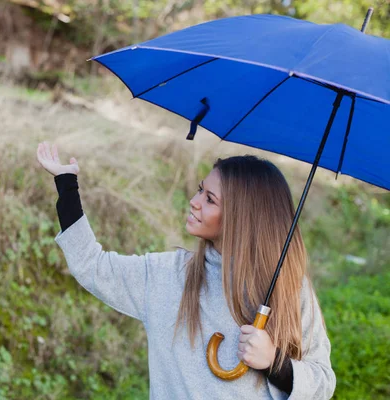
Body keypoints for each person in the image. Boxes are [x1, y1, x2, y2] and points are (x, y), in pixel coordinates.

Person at [36, 141, 336, 399]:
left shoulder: (287, 288)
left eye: (209, 199)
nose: (193, 202)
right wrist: (67, 185)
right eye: (199, 190)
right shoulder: (168, 276)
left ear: (241, 217)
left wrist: (275, 364)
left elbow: (323, 383)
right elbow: (93, 266)